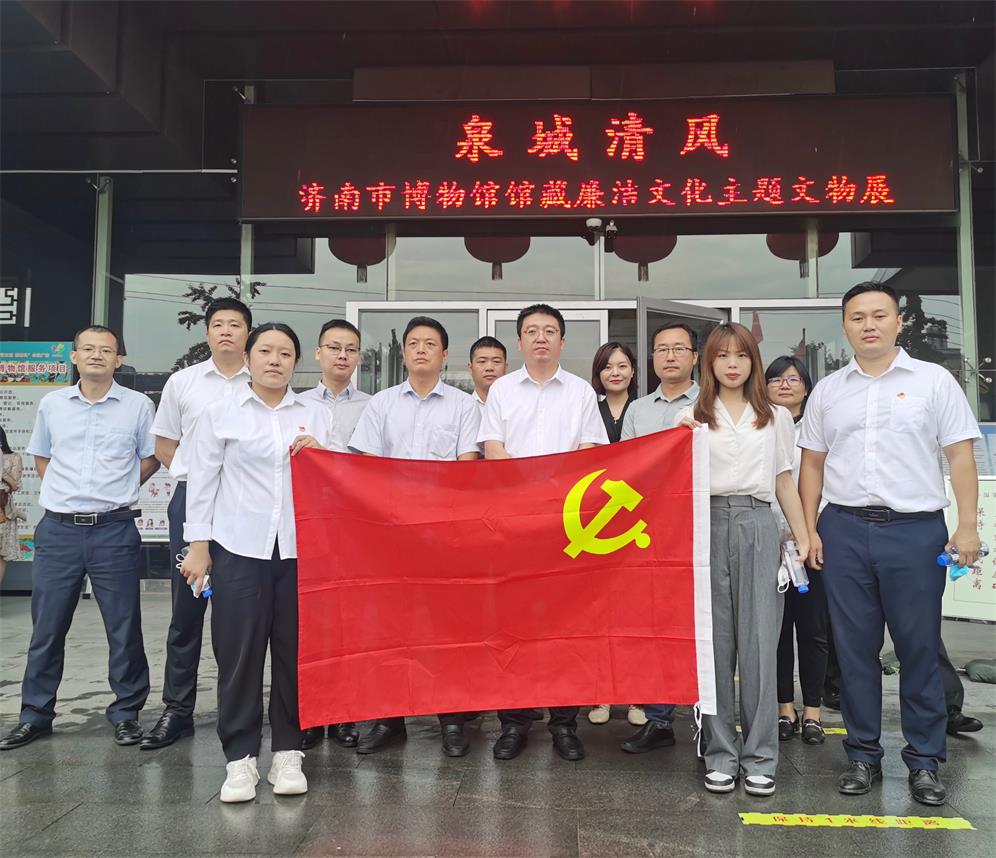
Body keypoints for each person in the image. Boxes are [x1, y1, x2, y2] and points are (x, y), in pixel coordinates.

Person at [799, 281, 981, 807]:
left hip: (914, 531)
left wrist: (967, 527)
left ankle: (924, 762)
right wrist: (810, 530)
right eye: (857, 317)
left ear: (898, 322)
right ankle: (862, 755)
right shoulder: (829, 390)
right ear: (845, 326)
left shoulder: (934, 382)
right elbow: (812, 463)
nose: (869, 325)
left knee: (918, 648)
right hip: (844, 529)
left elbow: (960, 457)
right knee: (855, 651)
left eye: (879, 315)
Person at [181, 322, 331, 802]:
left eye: (285, 353)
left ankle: (289, 751)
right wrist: (199, 545)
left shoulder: (316, 414)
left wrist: (324, 455)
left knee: (293, 654)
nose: (275, 360)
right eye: (265, 351)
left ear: (296, 362)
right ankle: (240, 759)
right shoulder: (220, 412)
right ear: (248, 358)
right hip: (238, 549)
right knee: (239, 654)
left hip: (298, 552)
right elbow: (202, 481)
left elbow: (339, 480)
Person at [0, 326, 158, 751]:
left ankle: (126, 713)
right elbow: (41, 455)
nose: (96, 355)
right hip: (59, 532)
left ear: (118, 359)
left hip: (114, 530)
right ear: (74, 356)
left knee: (124, 627)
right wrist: (65, 496)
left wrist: (120, 488)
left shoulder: (138, 405)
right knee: (47, 628)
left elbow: (151, 457)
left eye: (106, 350)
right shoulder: (53, 404)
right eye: (88, 349)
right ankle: (35, 715)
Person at [677, 323, 809, 796]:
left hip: (757, 524)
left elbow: (783, 481)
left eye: (741, 355)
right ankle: (719, 753)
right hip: (705, 527)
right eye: (722, 356)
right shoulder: (691, 416)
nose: (732, 364)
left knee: (759, 643)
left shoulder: (775, 416)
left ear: (753, 361)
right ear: (708, 362)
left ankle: (760, 756)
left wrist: (803, 535)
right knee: (714, 645)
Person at [479, 303, 609, 762]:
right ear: (519, 341)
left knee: (565, 627)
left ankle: (564, 724)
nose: (540, 338)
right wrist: (526, 490)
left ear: (562, 341)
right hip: (513, 525)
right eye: (531, 331)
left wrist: (551, 494)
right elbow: (492, 446)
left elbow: (590, 451)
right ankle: (513, 722)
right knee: (512, 626)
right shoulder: (502, 391)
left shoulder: (580, 393)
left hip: (565, 526)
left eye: (549, 331)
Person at [349, 316, 482, 757]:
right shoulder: (381, 405)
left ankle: (452, 720)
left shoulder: (464, 406)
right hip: (390, 535)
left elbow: (466, 469)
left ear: (444, 355)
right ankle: (390, 720)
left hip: (444, 535)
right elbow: (367, 468)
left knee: (447, 628)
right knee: (391, 628)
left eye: (430, 344)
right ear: (403, 353)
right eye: (413, 343)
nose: (421, 350)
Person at [142, 297, 252, 751]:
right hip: (191, 503)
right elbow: (164, 443)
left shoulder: (261, 381)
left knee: (237, 613)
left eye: (235, 324)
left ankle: (235, 710)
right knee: (187, 609)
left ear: (248, 334)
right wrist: (197, 475)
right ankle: (177, 710)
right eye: (218, 324)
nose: (226, 330)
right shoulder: (183, 382)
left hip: (244, 505)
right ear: (207, 333)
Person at [618, 322, 701, 754]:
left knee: (700, 623)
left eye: (678, 349)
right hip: (649, 531)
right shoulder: (638, 410)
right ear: (652, 359)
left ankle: (708, 719)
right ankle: (659, 719)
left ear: (694, 357)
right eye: (661, 349)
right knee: (654, 623)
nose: (670, 356)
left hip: (700, 527)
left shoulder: (712, 402)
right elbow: (627, 466)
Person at [296, 318, 372, 752]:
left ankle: (343, 714)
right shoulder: (295, 404)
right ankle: (310, 714)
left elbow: (373, 467)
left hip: (356, 527)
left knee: (348, 624)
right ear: (318, 353)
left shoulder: (373, 406)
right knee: (310, 623)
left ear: (359, 357)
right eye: (334, 347)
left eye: (350, 349)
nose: (342, 356)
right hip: (307, 524)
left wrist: (327, 455)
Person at [764, 356, 829, 747]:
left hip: (814, 538)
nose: (784, 385)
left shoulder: (818, 428)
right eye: (775, 379)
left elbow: (825, 482)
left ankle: (813, 713)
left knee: (813, 628)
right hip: (769, 539)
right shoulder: (761, 423)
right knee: (777, 629)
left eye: (792, 378)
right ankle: (784, 709)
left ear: (806, 385)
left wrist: (809, 531)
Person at [586, 341, 646, 729]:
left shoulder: (644, 411)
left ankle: (637, 695)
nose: (615, 373)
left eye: (622, 366)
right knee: (598, 615)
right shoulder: (587, 410)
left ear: (633, 371)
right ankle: (601, 694)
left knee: (635, 615)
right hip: (593, 522)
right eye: (608, 367)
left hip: (637, 521)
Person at [0, 424, 25, 583]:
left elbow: (15, 485)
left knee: (1, 553)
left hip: (3, 509)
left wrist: (2, 472)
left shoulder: (14, 457)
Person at [468, 335, 508, 409]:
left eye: (496, 361)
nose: (489, 368)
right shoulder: (462, 407)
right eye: (482, 361)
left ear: (506, 367)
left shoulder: (517, 405)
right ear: (470, 368)